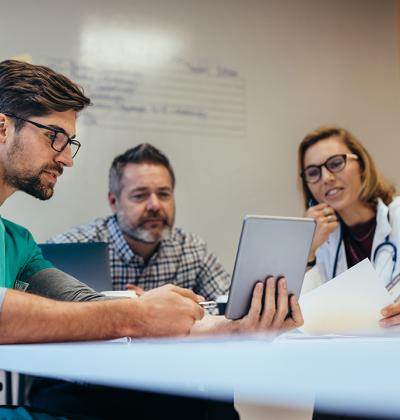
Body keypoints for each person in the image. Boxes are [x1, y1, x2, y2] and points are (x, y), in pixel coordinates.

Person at [0, 59, 303, 419]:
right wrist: (136, 314)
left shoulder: (18, 243)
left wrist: (233, 327)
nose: (67, 159)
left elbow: (87, 308)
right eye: (55, 137)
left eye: (70, 143)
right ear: (2, 128)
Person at [49, 143, 229, 303]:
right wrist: (138, 311)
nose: (155, 205)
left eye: (164, 194)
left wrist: (174, 308)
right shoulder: (70, 249)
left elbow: (232, 309)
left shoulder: (191, 249)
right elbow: (49, 319)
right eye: (140, 196)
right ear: (114, 202)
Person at [298, 125, 400, 328]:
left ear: (362, 166)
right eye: (313, 172)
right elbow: (304, 320)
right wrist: (307, 249)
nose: (326, 178)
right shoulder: (322, 241)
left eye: (336, 163)